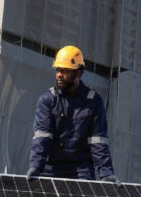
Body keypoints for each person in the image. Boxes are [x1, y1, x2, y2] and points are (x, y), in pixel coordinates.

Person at [26, 45, 120, 186]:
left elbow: (98, 141)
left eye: (64, 71)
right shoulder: (48, 99)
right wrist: (35, 166)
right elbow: (42, 137)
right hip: (50, 168)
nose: (59, 74)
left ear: (77, 73)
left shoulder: (93, 102)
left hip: (81, 170)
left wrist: (106, 173)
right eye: (58, 69)